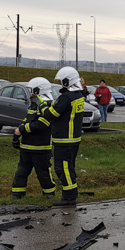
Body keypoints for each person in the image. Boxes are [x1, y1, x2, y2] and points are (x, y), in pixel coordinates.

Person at [42, 66, 85, 207]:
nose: (61, 84)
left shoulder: (66, 98)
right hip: (73, 139)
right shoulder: (78, 95)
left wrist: (42, 106)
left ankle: (69, 197)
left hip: (64, 139)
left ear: (67, 81)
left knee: (62, 168)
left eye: (62, 81)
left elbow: (51, 115)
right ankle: (71, 194)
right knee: (69, 167)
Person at [11, 77, 56, 199]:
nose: (31, 93)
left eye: (32, 90)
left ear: (38, 90)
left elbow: (42, 125)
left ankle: (49, 194)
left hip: (41, 147)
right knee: (21, 171)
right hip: (26, 146)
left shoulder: (47, 106)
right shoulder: (34, 105)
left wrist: (22, 129)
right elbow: (28, 120)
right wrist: (17, 134)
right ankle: (18, 194)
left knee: (43, 173)